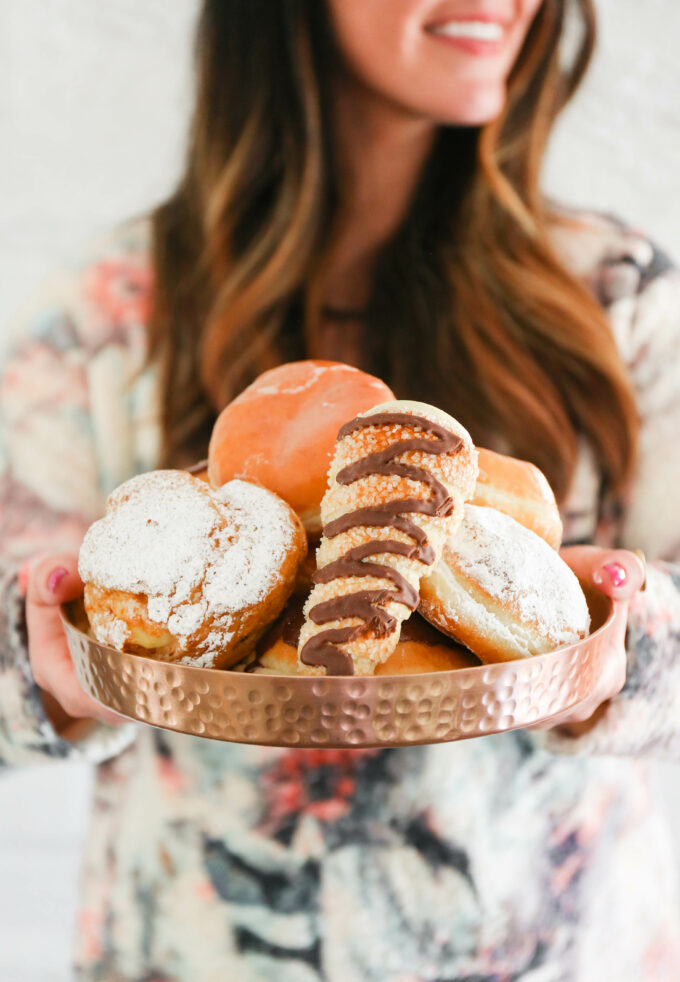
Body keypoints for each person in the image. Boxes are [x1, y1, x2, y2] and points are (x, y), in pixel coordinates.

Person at [1, 0, 679, 978]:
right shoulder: (105, 315)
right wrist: (50, 670)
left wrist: (616, 644)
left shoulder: (611, 300)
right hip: (196, 952)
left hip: (554, 949)